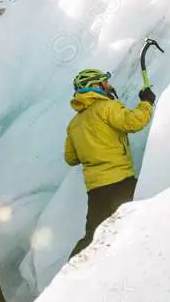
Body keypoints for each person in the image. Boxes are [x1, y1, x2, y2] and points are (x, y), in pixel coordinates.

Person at [64, 69, 155, 258]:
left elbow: (71, 158)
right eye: (105, 82)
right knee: (139, 225)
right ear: (95, 86)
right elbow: (133, 122)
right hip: (121, 182)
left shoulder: (74, 124)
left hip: (96, 189)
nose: (109, 85)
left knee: (93, 237)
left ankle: (71, 273)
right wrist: (146, 102)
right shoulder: (107, 107)